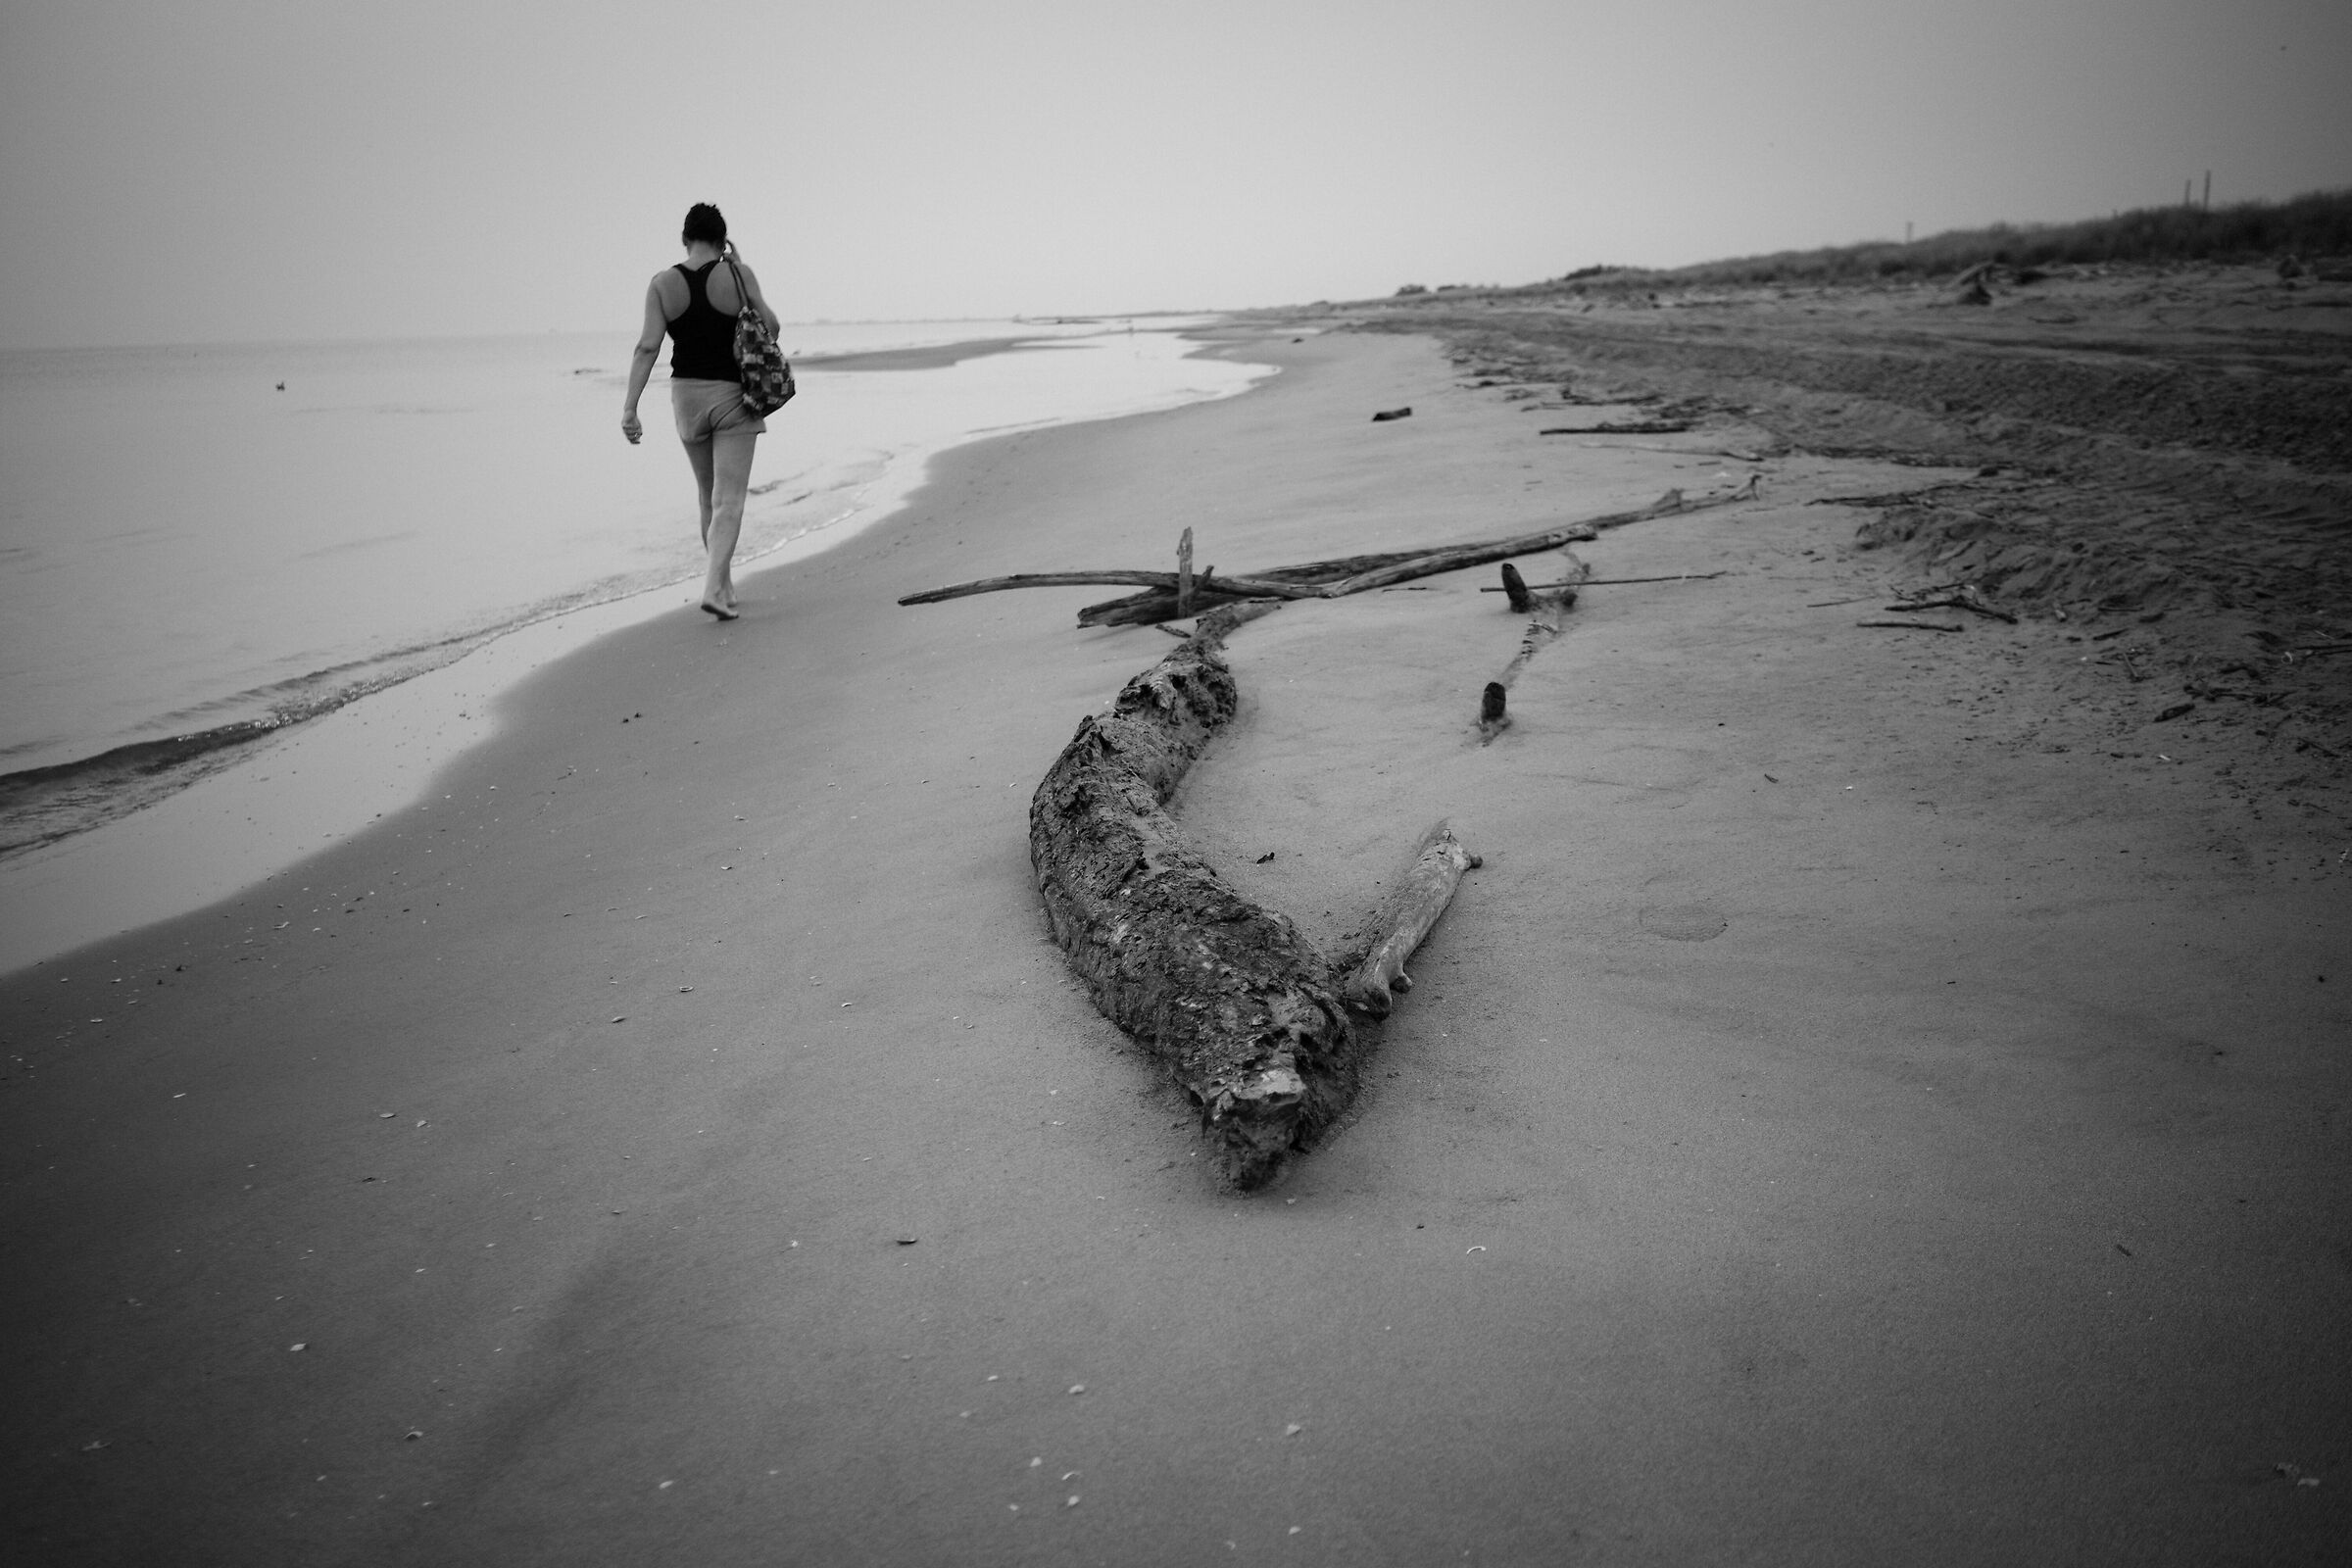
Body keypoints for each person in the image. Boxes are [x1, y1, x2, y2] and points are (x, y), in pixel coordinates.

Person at [621, 202, 781, 621]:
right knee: (729, 501)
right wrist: (742, 272)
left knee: (707, 497)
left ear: (684, 239)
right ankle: (714, 587)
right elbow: (772, 327)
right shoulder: (738, 275)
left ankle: (724, 587)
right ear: (723, 240)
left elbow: (647, 347)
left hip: (685, 398)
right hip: (732, 398)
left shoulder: (661, 284)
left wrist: (630, 408)